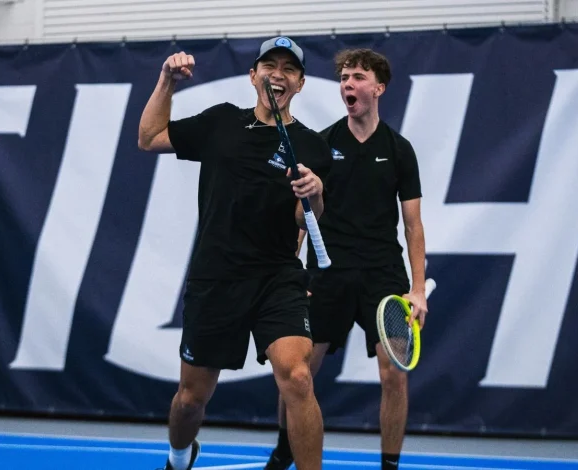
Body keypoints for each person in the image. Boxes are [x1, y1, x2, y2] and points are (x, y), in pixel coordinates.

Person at [138, 36, 332, 470]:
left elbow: (307, 222)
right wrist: (166, 81)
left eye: (288, 69)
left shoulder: (314, 148)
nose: (277, 74)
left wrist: (314, 195)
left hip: (277, 278)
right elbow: (149, 137)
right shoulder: (221, 123)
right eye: (269, 66)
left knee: (298, 377)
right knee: (190, 400)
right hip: (217, 277)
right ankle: (178, 456)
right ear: (253, 76)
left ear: (299, 84)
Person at [265, 48, 428, 470]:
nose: (348, 86)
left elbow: (413, 225)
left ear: (379, 87)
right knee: (297, 371)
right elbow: (302, 217)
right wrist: (292, 272)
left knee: (395, 374)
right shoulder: (323, 144)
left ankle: (389, 465)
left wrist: (415, 289)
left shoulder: (399, 149)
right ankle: (285, 448)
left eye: (357, 78)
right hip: (328, 275)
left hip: (382, 276)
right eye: (343, 79)